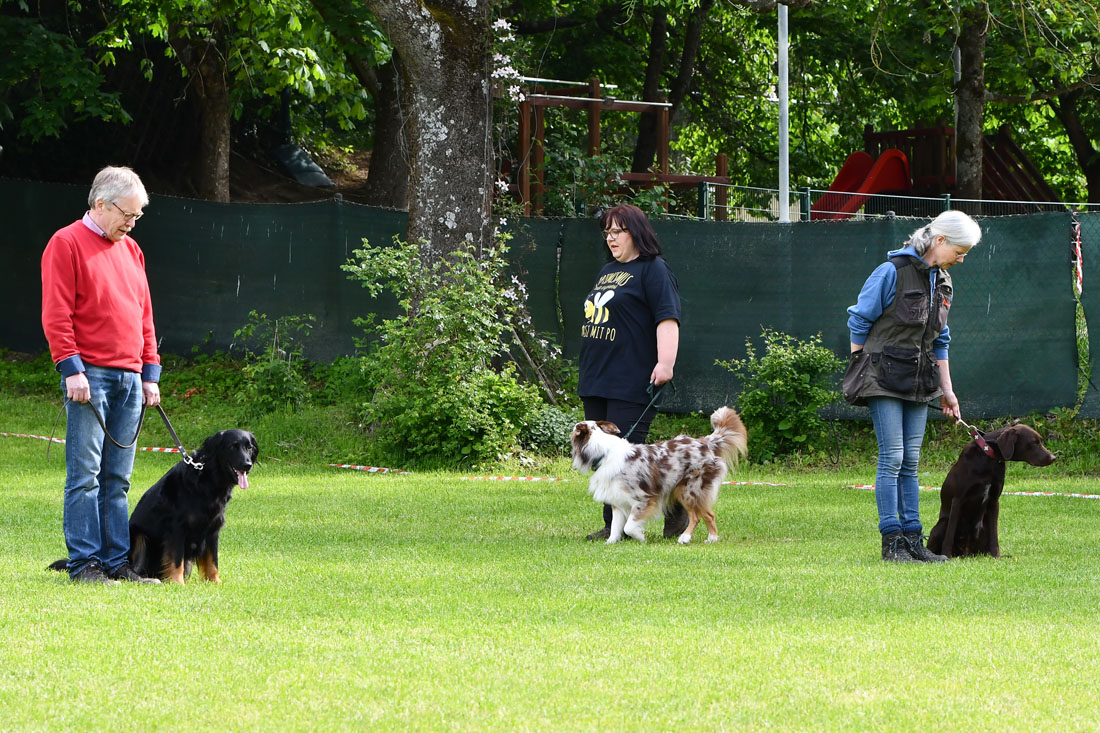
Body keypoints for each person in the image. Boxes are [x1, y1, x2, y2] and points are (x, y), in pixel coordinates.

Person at [41, 166, 163, 585]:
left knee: (118, 479)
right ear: (100, 204)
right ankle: (85, 565)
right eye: (126, 215)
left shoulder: (133, 251)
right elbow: (57, 313)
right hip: (89, 376)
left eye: (137, 217)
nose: (131, 224)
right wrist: (71, 368)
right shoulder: (66, 242)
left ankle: (117, 564)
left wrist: (151, 372)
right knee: (85, 477)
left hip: (131, 379)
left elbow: (144, 315)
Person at [846, 210, 983, 563]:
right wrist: (860, 365)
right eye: (960, 251)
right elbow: (860, 319)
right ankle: (892, 542)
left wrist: (947, 390)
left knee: (911, 462)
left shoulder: (944, 282)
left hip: (921, 381)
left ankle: (913, 542)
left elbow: (941, 339)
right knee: (892, 457)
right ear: (940, 241)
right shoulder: (891, 271)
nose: (962, 259)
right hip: (883, 376)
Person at [578, 203, 686, 540]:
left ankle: (673, 507)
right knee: (602, 456)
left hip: (630, 378)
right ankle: (614, 524)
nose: (610, 238)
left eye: (617, 231)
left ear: (635, 232)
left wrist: (665, 363)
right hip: (597, 376)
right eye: (606, 232)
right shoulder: (607, 270)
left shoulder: (654, 270)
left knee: (627, 458)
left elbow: (667, 317)